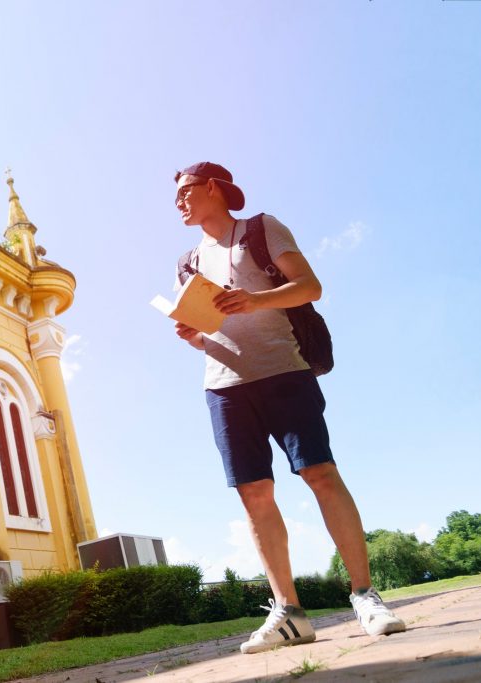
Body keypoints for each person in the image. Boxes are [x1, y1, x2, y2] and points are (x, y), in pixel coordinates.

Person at [171, 162, 405, 654]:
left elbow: (309, 286)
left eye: (187, 191)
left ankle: (364, 594)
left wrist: (254, 301)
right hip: (223, 386)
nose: (180, 202)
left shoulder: (261, 229)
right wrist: (191, 335)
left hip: (283, 371)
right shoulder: (187, 260)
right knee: (254, 494)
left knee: (320, 472)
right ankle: (289, 612)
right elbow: (203, 332)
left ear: (214, 187)